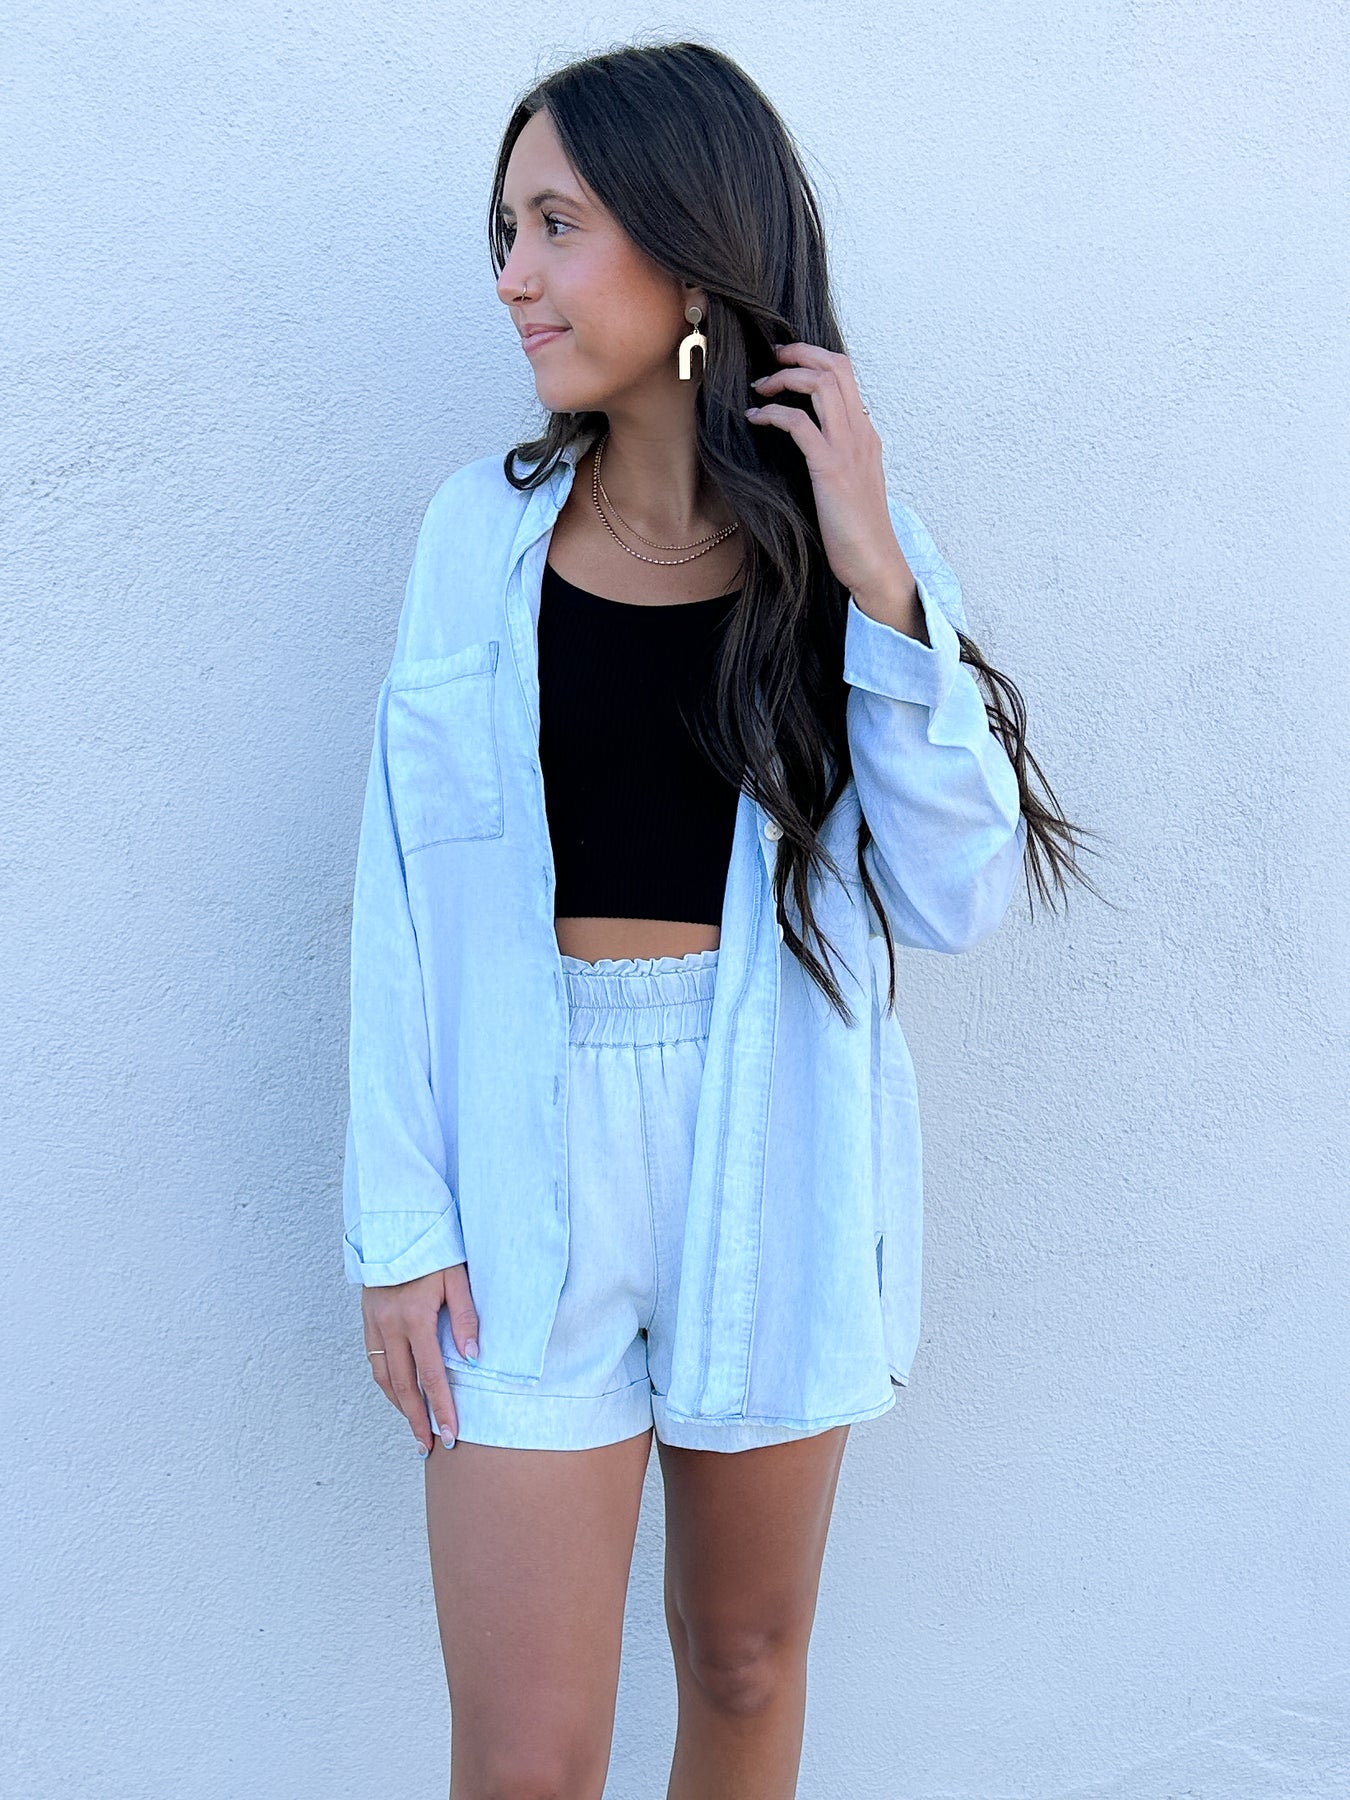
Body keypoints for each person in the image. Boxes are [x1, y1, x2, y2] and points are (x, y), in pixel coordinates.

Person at [342, 40, 1096, 1800]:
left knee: (742, 1663)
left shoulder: (848, 552)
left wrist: (874, 571)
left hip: (771, 1132)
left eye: (556, 224)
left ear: (690, 253)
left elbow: (955, 894)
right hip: (520, 1147)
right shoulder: (473, 537)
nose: (512, 275)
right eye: (504, 230)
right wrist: (397, 1221)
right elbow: (400, 895)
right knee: (524, 1757)